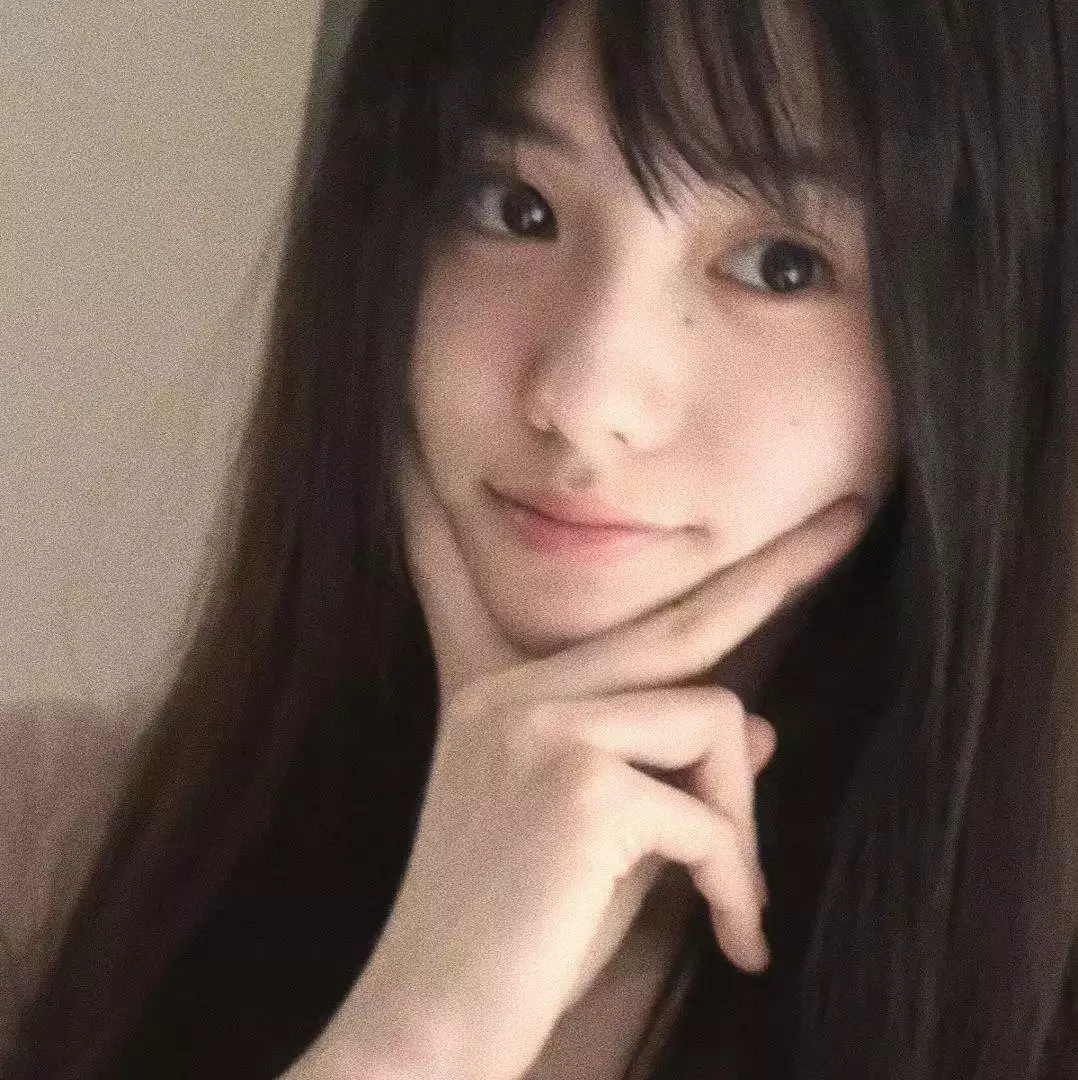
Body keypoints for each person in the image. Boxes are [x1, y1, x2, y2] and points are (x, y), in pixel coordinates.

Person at [4, 0, 1078, 1076]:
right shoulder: (50, 852)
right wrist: (421, 1033)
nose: (581, 397)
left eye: (780, 265)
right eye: (514, 209)